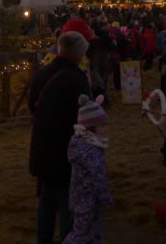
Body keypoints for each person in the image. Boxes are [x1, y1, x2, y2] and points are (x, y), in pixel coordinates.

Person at [28, 31, 90, 244]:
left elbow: (31, 104)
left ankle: (43, 239)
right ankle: (68, 238)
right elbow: (86, 114)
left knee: (47, 197)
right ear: (76, 54)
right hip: (66, 144)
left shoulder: (43, 73)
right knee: (67, 199)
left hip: (43, 142)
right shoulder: (76, 78)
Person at [64, 95, 113, 243]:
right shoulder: (90, 152)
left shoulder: (83, 144)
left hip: (82, 199)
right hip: (87, 202)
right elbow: (99, 178)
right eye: (103, 126)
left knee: (92, 232)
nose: (107, 129)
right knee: (80, 234)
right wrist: (106, 197)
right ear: (92, 128)